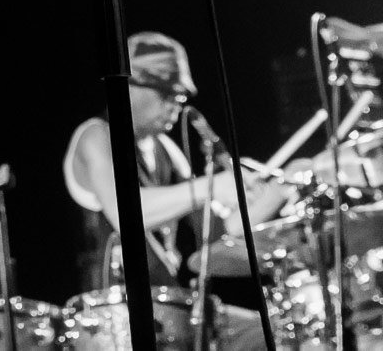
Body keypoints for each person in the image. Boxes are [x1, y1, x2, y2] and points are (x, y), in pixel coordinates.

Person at [63, 32, 293, 351]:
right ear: (129, 86)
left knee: (274, 332)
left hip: (169, 311)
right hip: (111, 319)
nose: (177, 104)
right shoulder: (95, 136)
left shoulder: (167, 151)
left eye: (180, 95)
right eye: (167, 92)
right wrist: (208, 186)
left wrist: (281, 187)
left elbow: (219, 233)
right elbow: (124, 213)